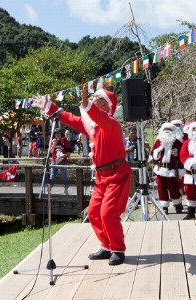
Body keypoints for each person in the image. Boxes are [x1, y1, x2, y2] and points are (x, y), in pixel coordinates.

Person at [34, 87, 132, 266]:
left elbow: (97, 116)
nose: (93, 99)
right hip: (102, 176)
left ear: (105, 104)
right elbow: (70, 119)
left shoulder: (111, 123)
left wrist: (86, 104)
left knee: (108, 213)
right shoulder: (93, 128)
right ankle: (107, 245)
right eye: (93, 97)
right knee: (94, 212)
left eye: (97, 97)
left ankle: (118, 249)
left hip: (116, 174)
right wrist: (48, 106)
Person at [151, 123, 184, 214]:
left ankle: (177, 204)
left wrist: (181, 169)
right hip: (161, 169)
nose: (167, 131)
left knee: (174, 188)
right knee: (162, 189)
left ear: (173, 131)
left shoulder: (177, 142)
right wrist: (157, 151)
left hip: (173, 169)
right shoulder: (158, 141)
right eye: (165, 129)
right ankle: (164, 207)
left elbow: (181, 157)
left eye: (169, 129)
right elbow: (153, 153)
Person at [50, 128, 72, 195]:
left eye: (59, 134)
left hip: (63, 161)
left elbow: (69, 151)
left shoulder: (65, 141)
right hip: (54, 161)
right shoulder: (53, 141)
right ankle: (49, 190)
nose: (58, 135)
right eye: (56, 134)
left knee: (64, 176)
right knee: (52, 175)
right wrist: (54, 144)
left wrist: (65, 155)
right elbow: (51, 151)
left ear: (61, 134)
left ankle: (66, 190)